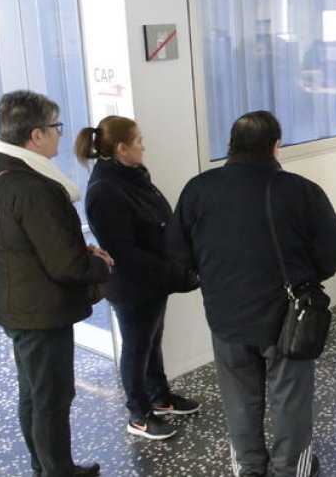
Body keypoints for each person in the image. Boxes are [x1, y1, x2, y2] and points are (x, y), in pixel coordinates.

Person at [166, 111, 336, 477]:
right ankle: (288, 469)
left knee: (239, 399)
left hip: (225, 315)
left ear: (230, 144)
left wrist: (215, 277)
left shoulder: (198, 189)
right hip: (288, 317)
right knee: (290, 400)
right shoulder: (300, 190)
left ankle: (248, 466)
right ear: (275, 146)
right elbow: (333, 252)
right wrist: (303, 278)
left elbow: (177, 251)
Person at [0, 90, 112, 477]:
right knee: (52, 399)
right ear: (35, 136)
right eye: (55, 127)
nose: (60, 134)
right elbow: (66, 265)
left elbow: (37, 244)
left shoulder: (3, 173)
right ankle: (57, 471)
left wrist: (77, 251)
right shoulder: (34, 188)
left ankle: (46, 466)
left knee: (34, 396)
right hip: (39, 311)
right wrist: (100, 264)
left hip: (19, 303)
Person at [76, 116, 200, 442]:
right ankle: (139, 414)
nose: (144, 146)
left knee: (151, 341)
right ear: (121, 148)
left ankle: (160, 399)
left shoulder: (132, 176)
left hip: (154, 278)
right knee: (136, 348)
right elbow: (124, 253)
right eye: (139, 140)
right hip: (133, 284)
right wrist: (175, 272)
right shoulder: (106, 191)